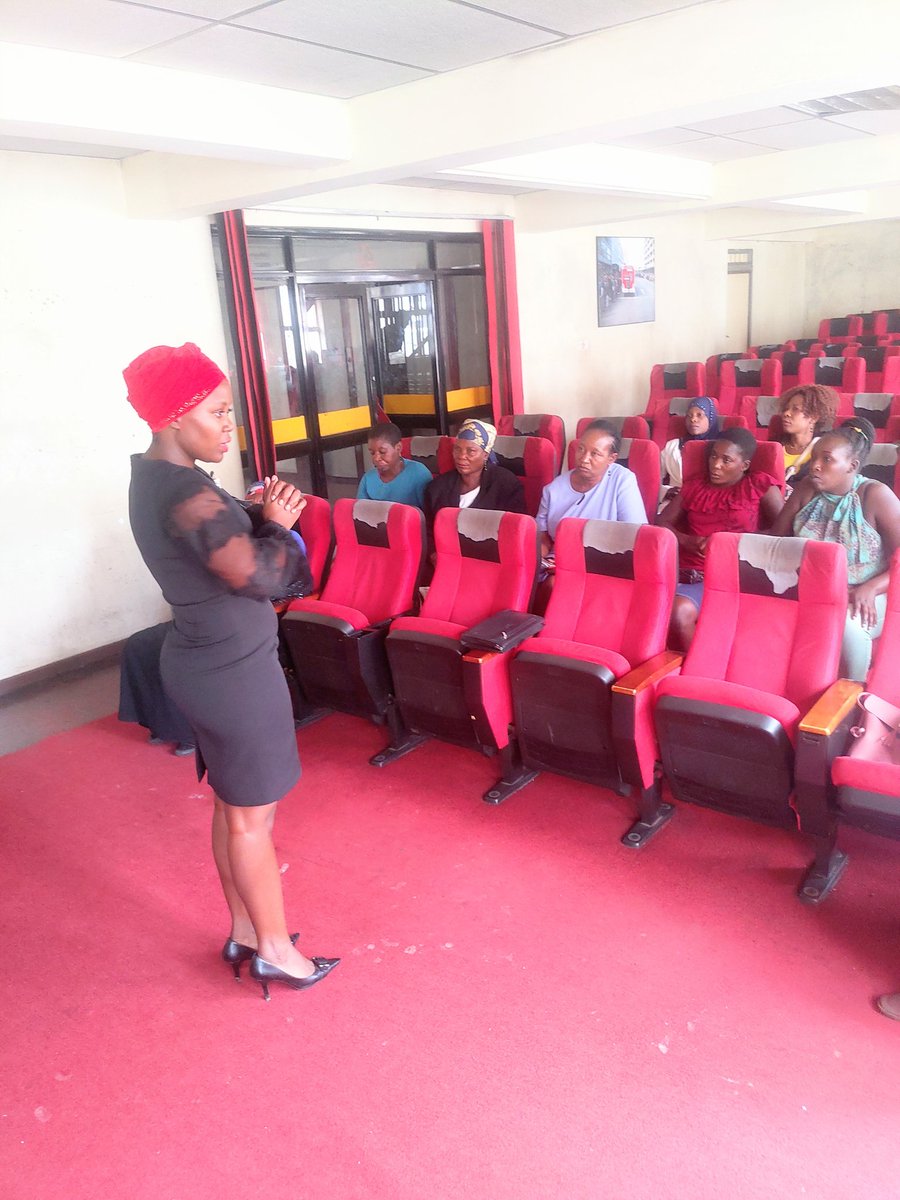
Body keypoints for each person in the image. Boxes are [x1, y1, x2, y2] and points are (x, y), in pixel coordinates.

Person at [124, 342, 338, 999]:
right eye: (218, 413)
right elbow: (264, 575)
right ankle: (275, 951)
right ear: (175, 417)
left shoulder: (159, 477)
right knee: (253, 817)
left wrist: (246, 515)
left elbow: (211, 536)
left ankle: (246, 929)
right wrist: (276, 526)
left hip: (207, 664)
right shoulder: (184, 490)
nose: (228, 426)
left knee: (232, 805)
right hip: (233, 673)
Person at [770, 417, 900, 681]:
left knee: (848, 628)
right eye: (815, 456)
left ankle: (850, 698)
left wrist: (871, 587)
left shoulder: (875, 495)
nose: (815, 465)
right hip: (810, 589)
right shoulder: (806, 489)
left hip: (867, 592)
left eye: (827, 459)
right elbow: (776, 539)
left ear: (851, 466)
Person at [657, 427, 784, 651]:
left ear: (744, 465)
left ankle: (703, 669)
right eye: (714, 456)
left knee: (679, 611)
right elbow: (661, 523)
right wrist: (688, 540)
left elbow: (783, 532)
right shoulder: (695, 487)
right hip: (689, 570)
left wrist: (733, 544)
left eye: (727, 460)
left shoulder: (758, 485)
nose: (715, 465)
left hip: (735, 572)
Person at [537, 419, 646, 572]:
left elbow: (636, 536)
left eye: (595, 453)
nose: (584, 458)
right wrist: (538, 559)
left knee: (554, 585)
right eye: (581, 449)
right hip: (559, 562)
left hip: (607, 562)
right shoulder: (553, 490)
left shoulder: (622, 480)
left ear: (611, 459)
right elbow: (543, 538)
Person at [423, 418, 526, 525]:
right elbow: (429, 531)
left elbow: (516, 527)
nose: (461, 456)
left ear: (485, 455)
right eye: (457, 449)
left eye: (471, 451)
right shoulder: (438, 487)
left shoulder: (506, 484)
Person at [773, 384, 838, 492]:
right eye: (786, 409)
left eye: (795, 409)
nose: (786, 414)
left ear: (813, 417)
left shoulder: (825, 452)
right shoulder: (774, 447)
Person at [659, 397, 720, 507]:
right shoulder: (672, 446)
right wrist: (666, 491)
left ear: (711, 418)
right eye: (689, 415)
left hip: (709, 503)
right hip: (673, 503)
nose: (693, 419)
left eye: (699, 415)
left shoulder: (720, 448)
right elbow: (654, 479)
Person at [356, 422, 432, 508]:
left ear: (398, 448)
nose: (376, 458)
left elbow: (429, 514)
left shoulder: (419, 473)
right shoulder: (368, 478)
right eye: (372, 453)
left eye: (382, 452)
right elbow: (360, 513)